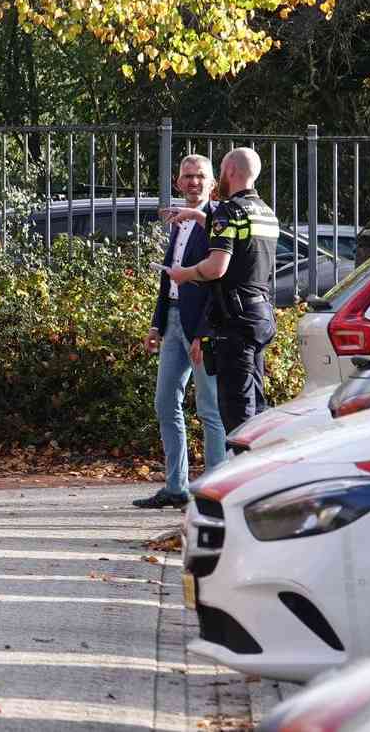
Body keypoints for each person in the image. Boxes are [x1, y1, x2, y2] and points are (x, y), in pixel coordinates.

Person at [162, 147, 279, 435]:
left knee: (236, 414)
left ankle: (240, 477)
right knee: (257, 405)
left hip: (234, 320)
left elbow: (217, 268)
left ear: (229, 172)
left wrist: (184, 274)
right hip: (261, 315)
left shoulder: (231, 210)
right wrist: (197, 216)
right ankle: (262, 474)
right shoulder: (266, 212)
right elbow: (237, 243)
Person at [133, 155, 227, 510]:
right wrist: (157, 323)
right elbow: (168, 275)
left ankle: (215, 493)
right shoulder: (177, 222)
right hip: (171, 322)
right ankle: (177, 486)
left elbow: (218, 283)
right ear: (177, 182)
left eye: (200, 176)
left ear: (212, 183)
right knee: (164, 402)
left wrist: (204, 333)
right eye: (187, 176)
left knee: (210, 409)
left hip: (202, 327)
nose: (193, 182)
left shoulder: (217, 221)